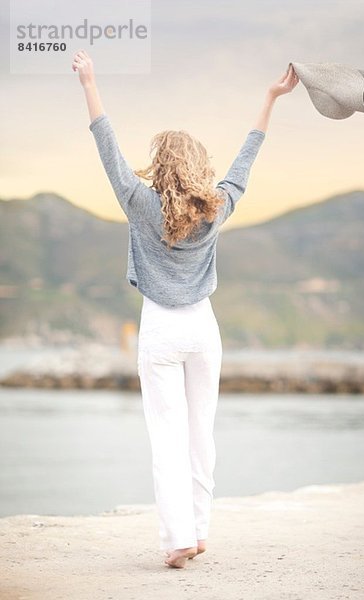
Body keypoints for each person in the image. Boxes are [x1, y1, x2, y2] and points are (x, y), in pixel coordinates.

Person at [73, 49, 298, 568]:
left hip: (159, 329)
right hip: (203, 329)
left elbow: (106, 144)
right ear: (197, 166)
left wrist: (89, 82)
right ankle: (197, 532)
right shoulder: (216, 208)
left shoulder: (138, 202)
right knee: (201, 433)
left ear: (159, 165)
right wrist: (270, 98)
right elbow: (247, 159)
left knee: (167, 439)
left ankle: (177, 540)